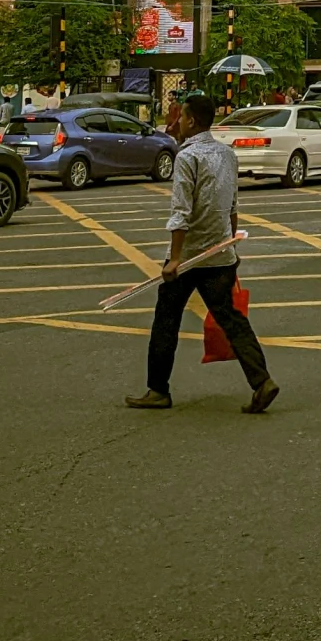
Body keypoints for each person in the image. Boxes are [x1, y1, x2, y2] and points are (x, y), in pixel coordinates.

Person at [125, 93, 278, 414]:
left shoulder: (187, 157)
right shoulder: (226, 154)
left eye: (181, 117)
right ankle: (262, 380)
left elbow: (181, 211)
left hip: (191, 255)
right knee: (231, 319)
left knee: (166, 319)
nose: (177, 123)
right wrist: (231, 246)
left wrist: (175, 260)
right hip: (220, 251)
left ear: (192, 121)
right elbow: (233, 205)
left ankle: (157, 390)